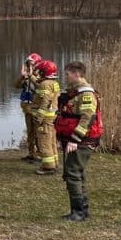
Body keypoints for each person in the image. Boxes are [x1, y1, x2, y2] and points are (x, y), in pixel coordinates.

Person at [54, 61, 104, 222]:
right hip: (75, 139)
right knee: (76, 173)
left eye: (67, 74)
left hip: (83, 140)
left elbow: (88, 117)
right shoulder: (73, 93)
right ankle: (82, 210)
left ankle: (78, 212)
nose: (65, 77)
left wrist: (75, 139)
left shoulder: (86, 94)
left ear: (76, 74)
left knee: (73, 173)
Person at [29, 59, 61, 175]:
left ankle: (48, 167)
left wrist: (39, 117)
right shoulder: (54, 83)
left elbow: (46, 101)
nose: (39, 72)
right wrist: (30, 76)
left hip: (44, 119)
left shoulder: (45, 84)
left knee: (44, 143)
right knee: (51, 141)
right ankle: (54, 163)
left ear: (44, 72)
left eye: (40, 70)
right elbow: (41, 87)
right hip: (51, 118)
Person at [14, 52, 41, 163]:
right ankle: (31, 154)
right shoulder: (26, 74)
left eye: (32, 64)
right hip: (27, 107)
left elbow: (40, 88)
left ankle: (40, 155)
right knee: (29, 131)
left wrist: (31, 76)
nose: (30, 66)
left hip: (37, 108)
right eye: (28, 64)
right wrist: (22, 77)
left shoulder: (41, 76)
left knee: (37, 132)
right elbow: (16, 86)